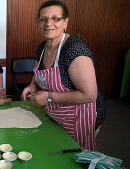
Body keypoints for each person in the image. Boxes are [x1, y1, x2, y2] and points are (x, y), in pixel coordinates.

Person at [21, 1, 106, 151]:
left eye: (56, 18)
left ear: (65, 22)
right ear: (38, 23)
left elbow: (89, 95)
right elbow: (37, 73)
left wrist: (48, 96)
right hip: (56, 112)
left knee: (73, 156)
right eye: (43, 19)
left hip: (80, 116)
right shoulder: (42, 47)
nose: (49, 23)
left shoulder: (74, 50)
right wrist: (32, 85)